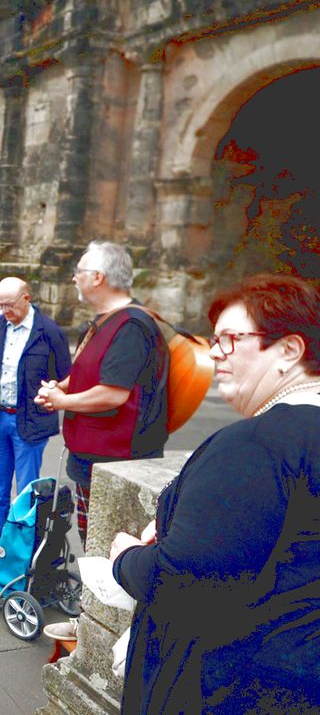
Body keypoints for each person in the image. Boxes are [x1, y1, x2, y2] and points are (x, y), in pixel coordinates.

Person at [107, 274, 320, 714]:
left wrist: (124, 557)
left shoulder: (259, 443)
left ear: (289, 350)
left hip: (233, 684)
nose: (215, 352)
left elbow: (181, 580)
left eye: (230, 339)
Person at [34, 241, 168, 545]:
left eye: (79, 271)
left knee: (107, 546)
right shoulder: (106, 320)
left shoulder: (131, 325)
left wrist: (61, 401)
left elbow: (113, 393)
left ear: (98, 277)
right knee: (92, 541)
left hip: (116, 462)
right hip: (94, 459)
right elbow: (87, 372)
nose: (74, 278)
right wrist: (60, 387)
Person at [0, 278, 72, 564]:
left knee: (28, 493)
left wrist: (52, 393)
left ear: (27, 298)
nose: (4, 310)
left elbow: (67, 378)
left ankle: (25, 552)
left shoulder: (49, 331)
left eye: (9, 304)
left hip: (31, 423)